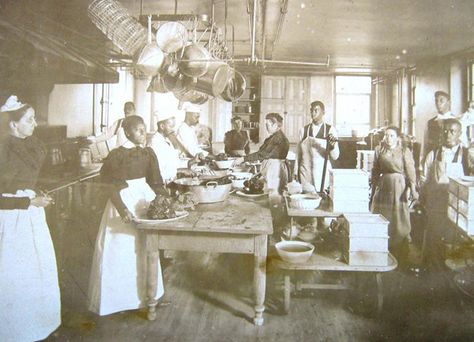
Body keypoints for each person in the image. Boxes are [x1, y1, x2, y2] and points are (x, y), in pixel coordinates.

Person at [88, 115, 168, 316]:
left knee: (144, 248)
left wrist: (164, 199)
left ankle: (146, 296)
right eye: (138, 130)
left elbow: (156, 182)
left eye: (144, 129)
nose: (143, 133)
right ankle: (117, 301)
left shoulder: (149, 153)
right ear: (127, 132)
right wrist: (122, 208)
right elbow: (109, 185)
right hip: (122, 201)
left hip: (143, 199)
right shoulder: (117, 155)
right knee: (121, 249)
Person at [0, 95, 61, 341]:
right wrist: (28, 201)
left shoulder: (30, 145)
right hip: (8, 220)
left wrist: (36, 194)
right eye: (30, 119)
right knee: (13, 274)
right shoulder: (2, 149)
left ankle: (34, 326)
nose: (35, 124)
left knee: (35, 271)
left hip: (30, 217)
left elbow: (27, 181)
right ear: (13, 124)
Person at [422, 118, 471, 261]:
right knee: (434, 238)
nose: (448, 134)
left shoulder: (467, 155)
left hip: (459, 207)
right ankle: (433, 271)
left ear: (459, 133)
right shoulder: (433, 154)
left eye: (452, 131)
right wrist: (423, 198)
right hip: (437, 203)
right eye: (445, 131)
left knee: (455, 241)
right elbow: (424, 178)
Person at [370, 126, 418, 268]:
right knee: (382, 216)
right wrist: (373, 190)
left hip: (399, 187)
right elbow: (375, 171)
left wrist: (413, 189)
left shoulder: (404, 151)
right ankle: (383, 250)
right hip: (384, 186)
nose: (388, 138)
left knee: (399, 219)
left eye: (391, 136)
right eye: (386, 135)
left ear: (397, 138)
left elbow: (411, 172)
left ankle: (401, 254)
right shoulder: (379, 150)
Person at [236, 112, 290, 195]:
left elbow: (262, 154)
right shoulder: (274, 137)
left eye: (267, 125)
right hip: (273, 169)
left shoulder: (278, 138)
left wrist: (243, 159)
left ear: (275, 125)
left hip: (276, 170)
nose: (266, 127)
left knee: (275, 197)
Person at [297, 100, 339, 192]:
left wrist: (331, 147)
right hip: (306, 173)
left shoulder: (330, 130)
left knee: (322, 199)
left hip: (322, 173)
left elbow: (335, 156)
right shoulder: (303, 130)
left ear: (323, 112)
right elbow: (298, 155)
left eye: (316, 110)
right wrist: (295, 173)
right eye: (311, 111)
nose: (313, 113)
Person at [149, 110, 185, 184]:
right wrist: (180, 170)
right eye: (171, 127)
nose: (173, 130)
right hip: (163, 184)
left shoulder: (166, 140)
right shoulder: (155, 143)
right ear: (162, 126)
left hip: (171, 180)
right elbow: (158, 172)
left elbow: (173, 163)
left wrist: (190, 163)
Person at [423, 91, 458, 158]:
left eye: (441, 101)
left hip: (451, 157)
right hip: (433, 158)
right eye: (436, 101)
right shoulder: (430, 122)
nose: (438, 103)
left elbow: (462, 143)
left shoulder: (456, 121)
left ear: (449, 103)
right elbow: (426, 144)